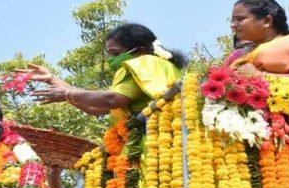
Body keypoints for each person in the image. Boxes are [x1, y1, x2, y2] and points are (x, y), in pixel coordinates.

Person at [17, 22, 187, 125]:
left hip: (158, 143)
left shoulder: (142, 62)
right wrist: (52, 80)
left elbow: (113, 99)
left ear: (140, 50)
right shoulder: (161, 66)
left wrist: (68, 94)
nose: (110, 60)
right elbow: (95, 108)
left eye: (115, 53)